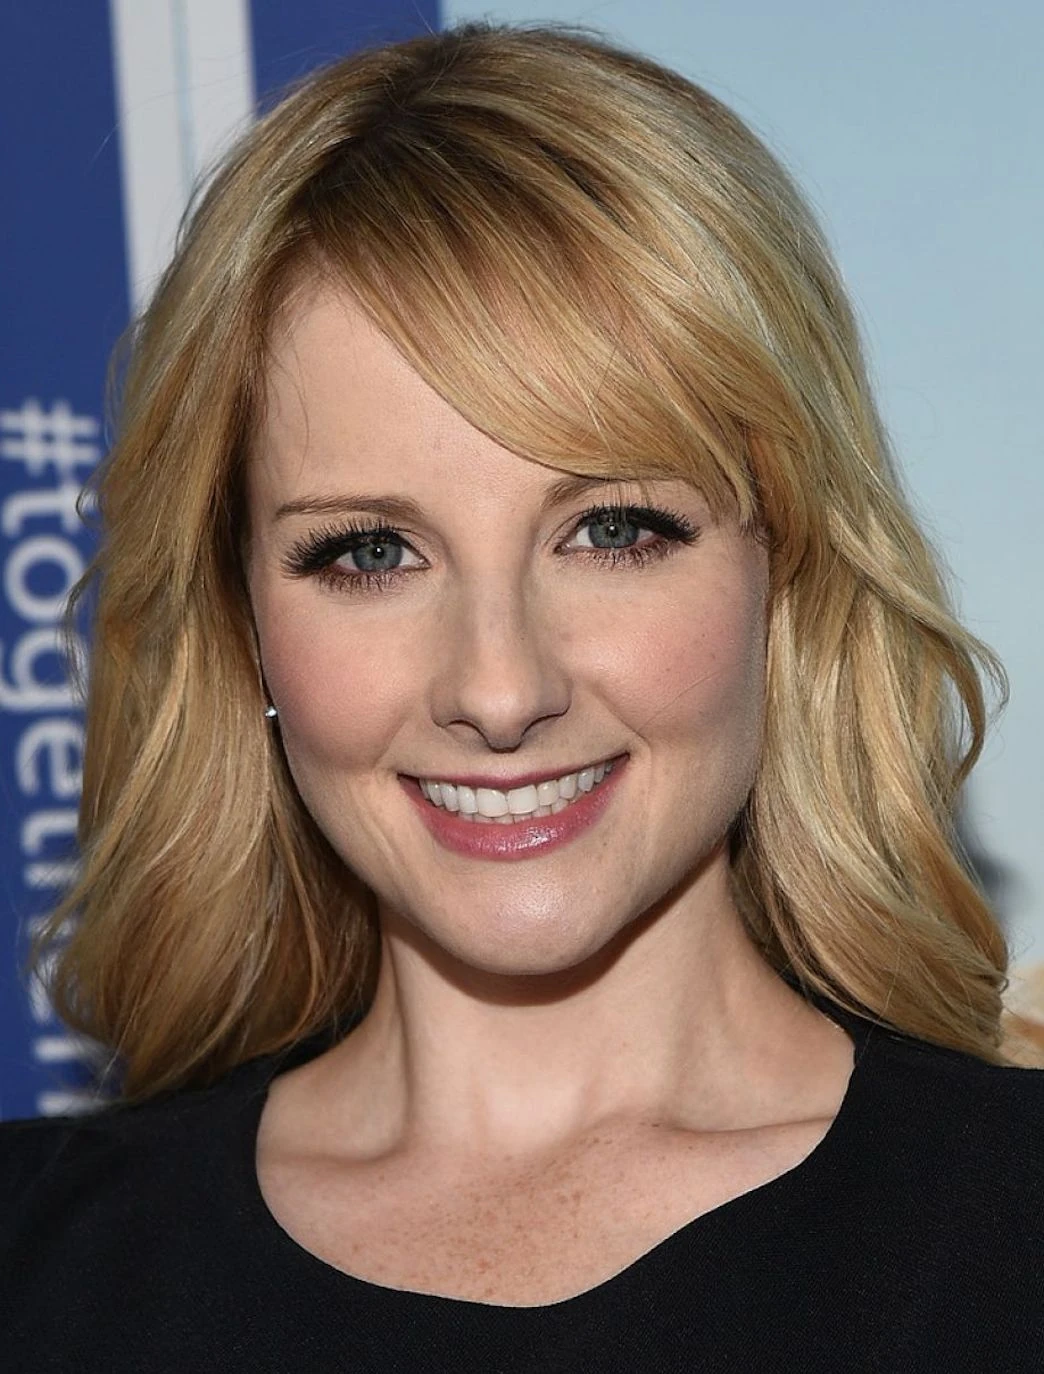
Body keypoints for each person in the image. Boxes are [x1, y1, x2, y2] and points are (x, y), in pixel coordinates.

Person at [1, 20, 1041, 1372]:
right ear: (243, 620)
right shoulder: (39, 1269)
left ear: (783, 565)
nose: (499, 689)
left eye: (613, 530)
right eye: (369, 553)